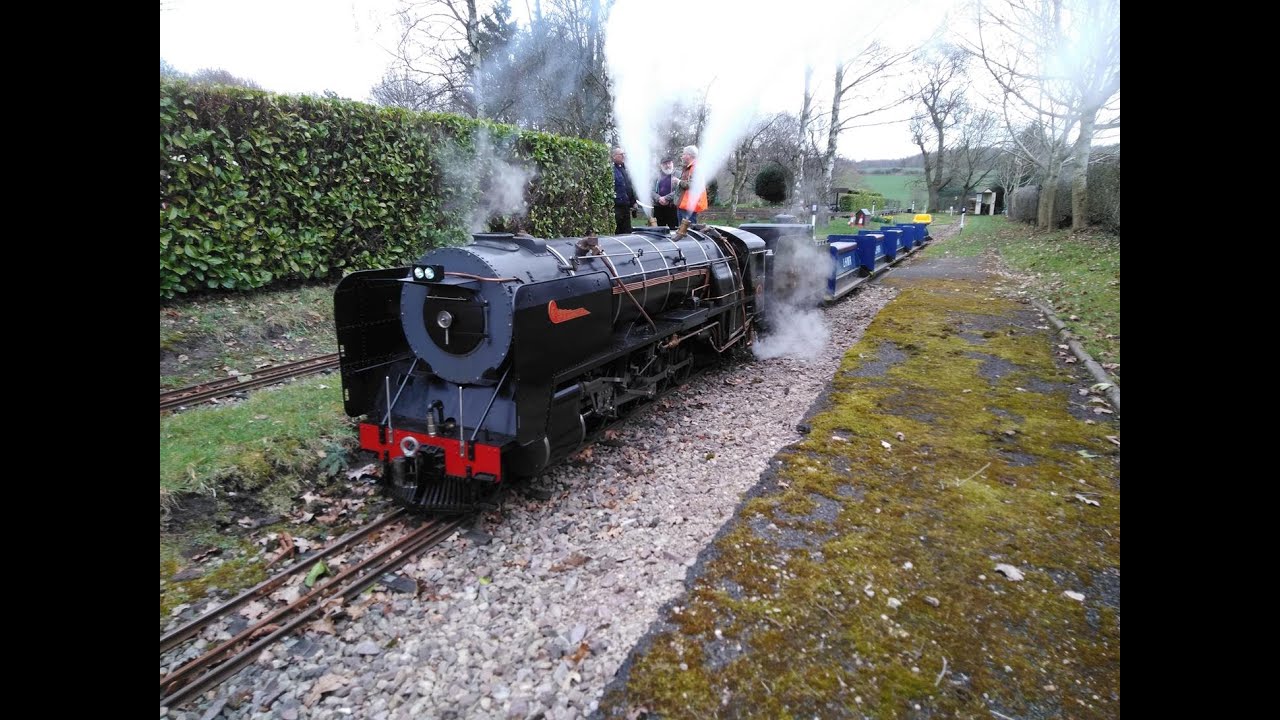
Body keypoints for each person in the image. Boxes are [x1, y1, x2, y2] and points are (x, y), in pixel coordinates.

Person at [676, 145, 708, 225]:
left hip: (690, 205)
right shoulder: (689, 167)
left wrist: (678, 182)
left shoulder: (696, 168)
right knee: (682, 230)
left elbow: (693, 185)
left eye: (683, 154)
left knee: (689, 231)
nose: (682, 157)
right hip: (684, 205)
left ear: (689, 155)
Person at [612, 147, 639, 234]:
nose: (623, 156)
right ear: (614, 156)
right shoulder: (611, 170)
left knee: (627, 231)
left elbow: (628, 187)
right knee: (617, 231)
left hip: (626, 207)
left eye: (624, 154)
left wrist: (633, 202)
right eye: (621, 154)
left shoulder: (624, 169)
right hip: (617, 207)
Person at [652, 158, 680, 229]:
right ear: (661, 165)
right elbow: (651, 191)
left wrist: (666, 198)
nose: (667, 165)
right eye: (665, 164)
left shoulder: (679, 174)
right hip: (658, 207)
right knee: (659, 231)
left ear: (672, 163)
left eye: (669, 163)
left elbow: (679, 190)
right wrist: (659, 198)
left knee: (674, 230)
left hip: (673, 207)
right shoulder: (655, 176)